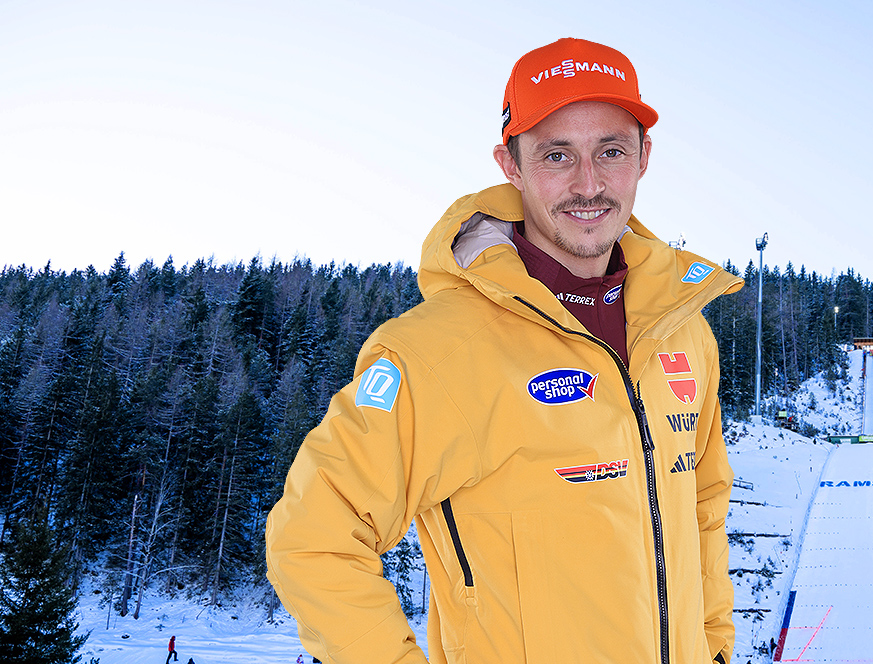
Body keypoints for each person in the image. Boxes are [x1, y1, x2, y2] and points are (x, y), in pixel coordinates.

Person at [265, 37, 741, 664]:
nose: (589, 183)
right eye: (556, 155)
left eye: (612, 151)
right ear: (510, 164)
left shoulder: (682, 333)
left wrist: (714, 652)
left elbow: (703, 513)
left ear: (644, 157)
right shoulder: (435, 350)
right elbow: (312, 538)